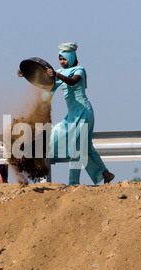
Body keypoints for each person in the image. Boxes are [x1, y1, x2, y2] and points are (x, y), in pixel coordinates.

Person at [20, 42, 115, 185]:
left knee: (77, 148)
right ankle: (105, 174)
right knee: (65, 141)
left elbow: (72, 81)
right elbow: (48, 87)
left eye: (64, 58)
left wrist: (56, 74)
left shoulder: (79, 70)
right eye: (60, 59)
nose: (62, 62)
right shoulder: (59, 73)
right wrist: (28, 74)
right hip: (71, 117)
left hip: (83, 113)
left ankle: (73, 183)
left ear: (71, 56)